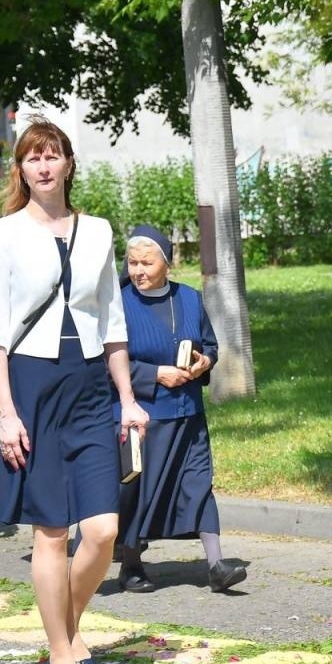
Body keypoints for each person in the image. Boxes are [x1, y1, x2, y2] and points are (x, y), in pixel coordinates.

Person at [0, 118, 147, 664]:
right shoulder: (2, 234)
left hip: (90, 384)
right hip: (30, 386)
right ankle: (60, 649)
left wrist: (128, 400)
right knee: (51, 531)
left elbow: (114, 322)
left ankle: (66, 622)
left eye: (52, 155)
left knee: (102, 530)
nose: (44, 166)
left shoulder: (97, 231)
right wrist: (6, 414)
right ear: (21, 170)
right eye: (33, 158)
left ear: (69, 164)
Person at [114, 225, 245, 594]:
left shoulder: (188, 297)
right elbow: (108, 362)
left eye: (147, 263)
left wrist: (205, 362)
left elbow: (209, 345)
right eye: (133, 263)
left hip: (189, 412)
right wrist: (155, 374)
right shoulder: (118, 303)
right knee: (140, 490)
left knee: (199, 483)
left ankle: (216, 565)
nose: (138, 270)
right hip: (145, 415)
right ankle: (131, 565)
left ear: (167, 264)